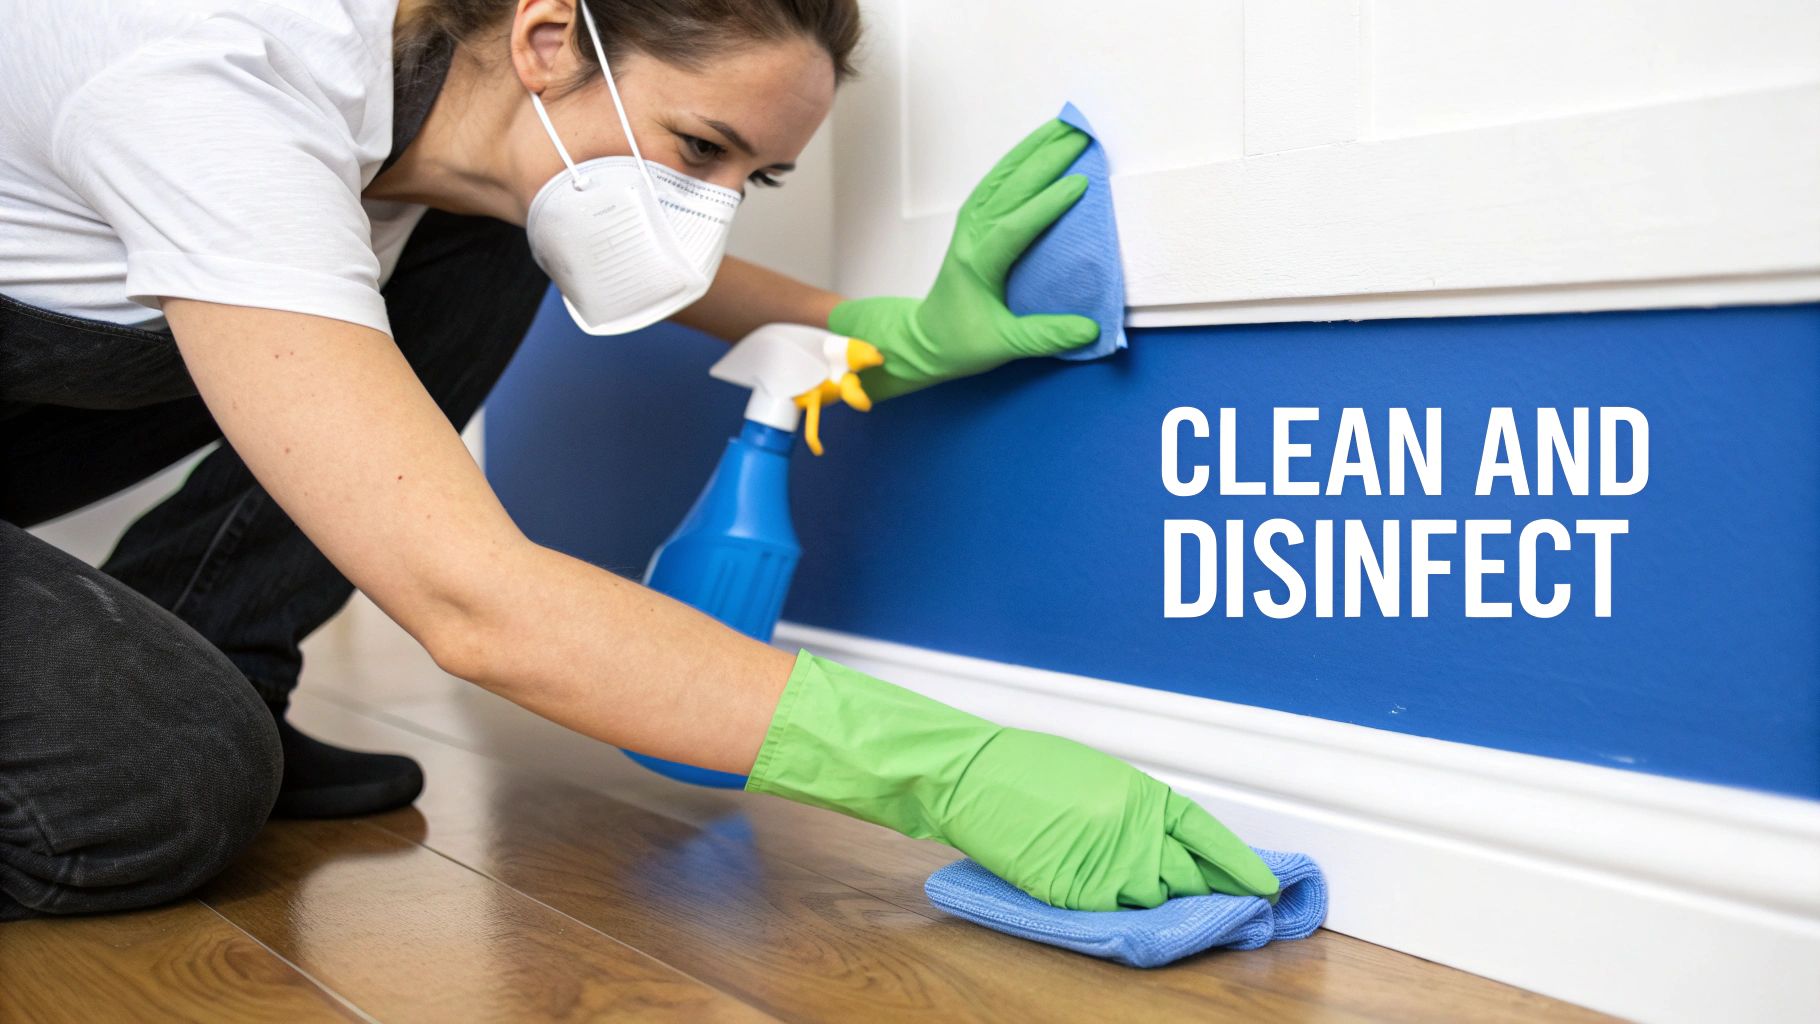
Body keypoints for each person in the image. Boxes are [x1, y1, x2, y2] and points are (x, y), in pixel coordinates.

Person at [0, 0, 1280, 919]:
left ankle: (220, 655)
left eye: (754, 177)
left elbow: (660, 263)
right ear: (550, 36)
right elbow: (472, 600)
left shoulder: (441, 95)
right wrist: (945, 767)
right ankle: (192, 719)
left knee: (492, 225)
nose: (711, 204)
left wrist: (889, 339)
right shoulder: (207, 85)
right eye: (698, 149)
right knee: (151, 784)